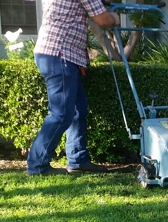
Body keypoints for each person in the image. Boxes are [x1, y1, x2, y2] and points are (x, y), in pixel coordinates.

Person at [27, 0, 120, 176]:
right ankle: (37, 165)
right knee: (61, 113)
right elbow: (103, 19)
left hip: (56, 54)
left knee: (78, 109)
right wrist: (114, 18)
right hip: (59, 54)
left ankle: (78, 160)